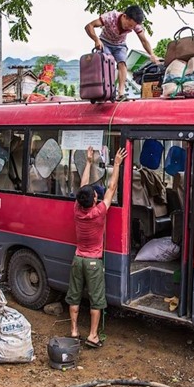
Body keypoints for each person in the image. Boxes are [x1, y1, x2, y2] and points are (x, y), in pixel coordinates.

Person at [67, 146, 127, 348]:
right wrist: (117, 164)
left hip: (78, 259)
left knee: (74, 296)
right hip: (93, 262)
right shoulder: (98, 212)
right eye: (95, 195)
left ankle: (74, 330)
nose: (96, 195)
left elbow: (83, 185)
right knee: (96, 300)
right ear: (94, 200)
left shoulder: (77, 210)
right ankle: (93, 335)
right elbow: (111, 189)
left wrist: (89, 162)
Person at [85, 5, 160, 101]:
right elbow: (89, 26)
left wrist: (152, 54)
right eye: (129, 25)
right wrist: (96, 40)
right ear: (124, 16)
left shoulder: (136, 26)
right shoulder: (110, 17)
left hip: (120, 45)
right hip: (105, 42)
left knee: (122, 64)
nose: (129, 28)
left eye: (132, 27)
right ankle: (105, 91)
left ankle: (121, 93)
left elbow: (144, 41)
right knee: (108, 63)